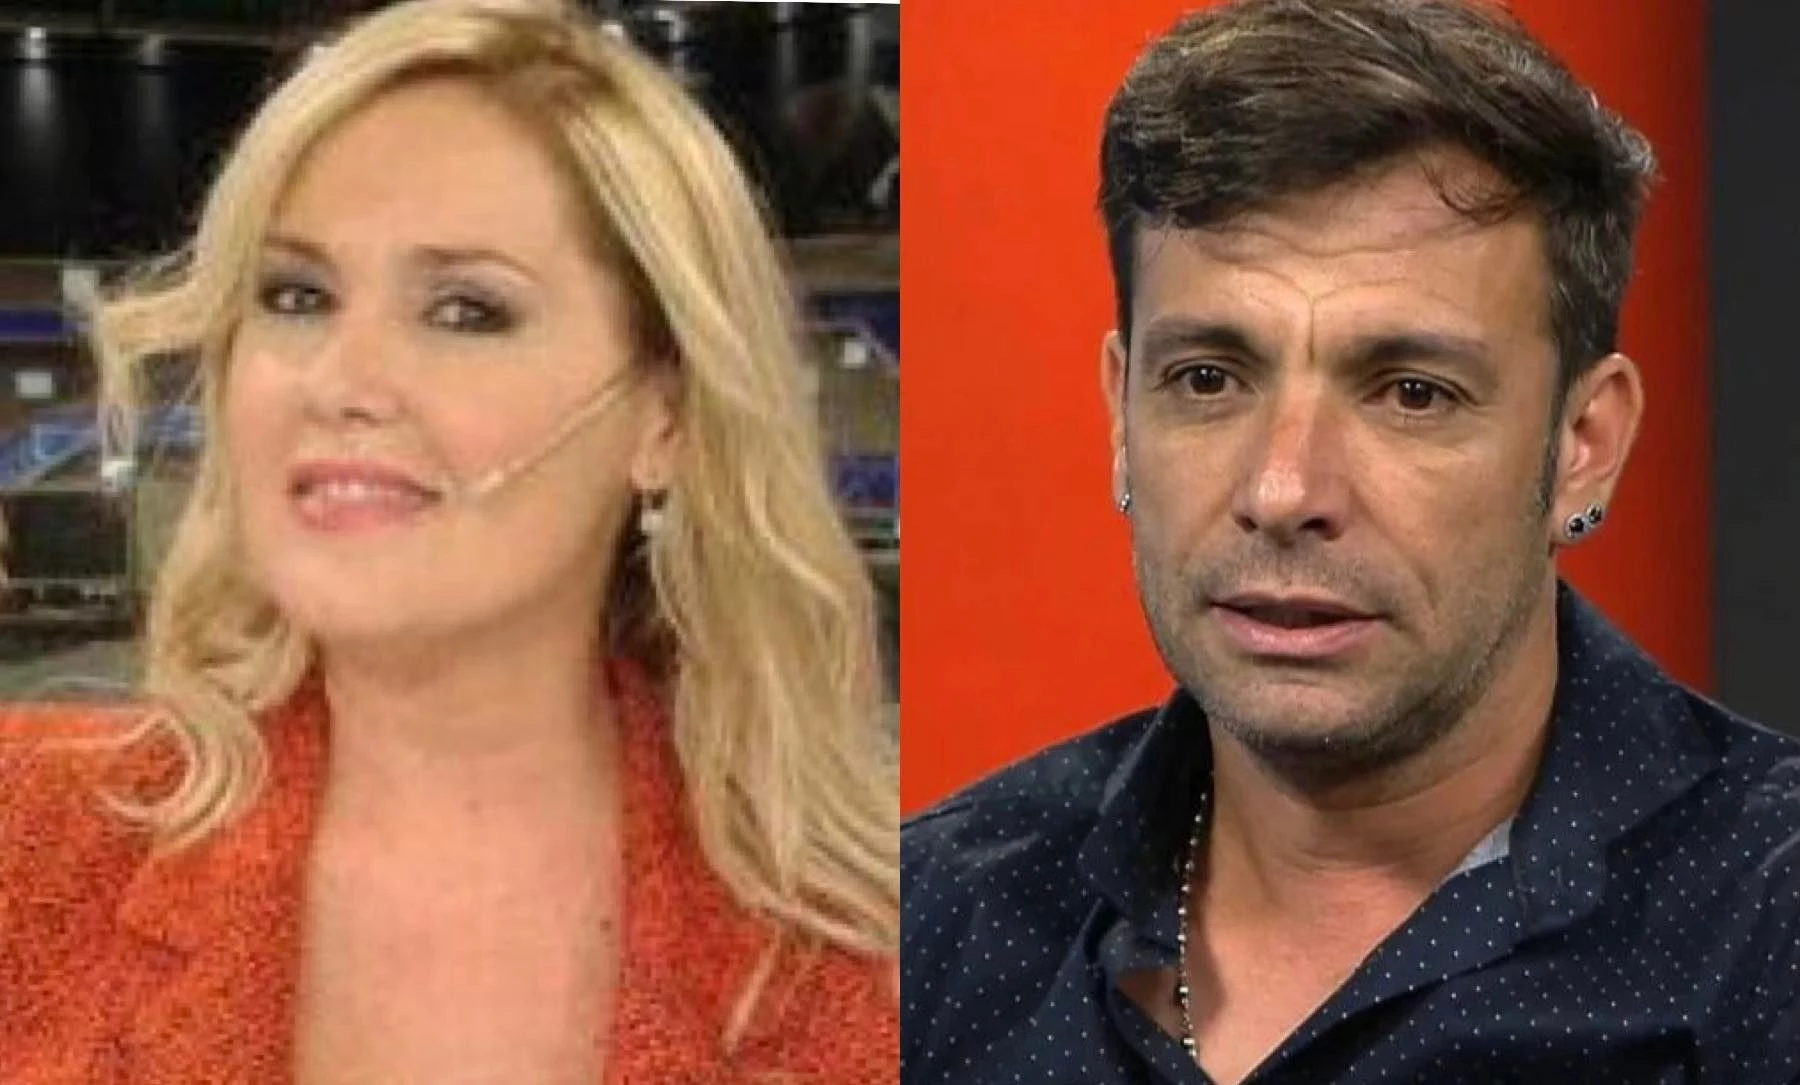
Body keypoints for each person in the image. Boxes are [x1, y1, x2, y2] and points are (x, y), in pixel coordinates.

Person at [902, 1, 1800, 1082]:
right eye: (1208, 379)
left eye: (1412, 393)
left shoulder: (1766, 933)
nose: (1283, 490)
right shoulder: (931, 924)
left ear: (1583, 444)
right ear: (1121, 416)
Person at [0, 1, 897, 1081]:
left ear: (663, 414)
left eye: (466, 310)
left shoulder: (879, 959)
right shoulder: (29, 836)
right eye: (296, 294)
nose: (340, 381)